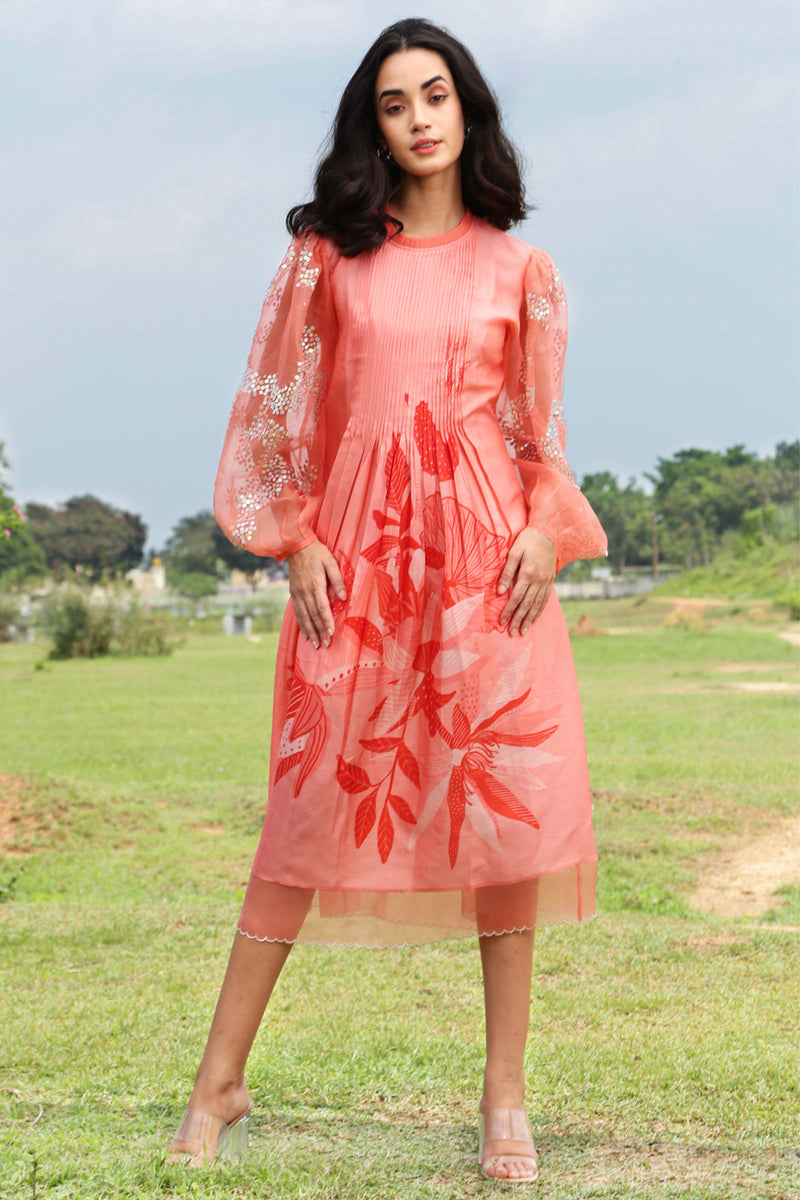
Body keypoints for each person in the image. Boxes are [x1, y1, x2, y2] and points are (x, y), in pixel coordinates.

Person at [167, 17, 606, 1184]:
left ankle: (503, 1100)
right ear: (372, 126)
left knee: (501, 816)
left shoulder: (521, 270)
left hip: (482, 576)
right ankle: (220, 1080)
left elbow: (538, 441)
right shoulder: (325, 257)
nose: (417, 119)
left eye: (435, 95)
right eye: (393, 103)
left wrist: (541, 534)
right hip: (354, 571)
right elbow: (271, 411)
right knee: (303, 810)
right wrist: (295, 537)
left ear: (467, 110)